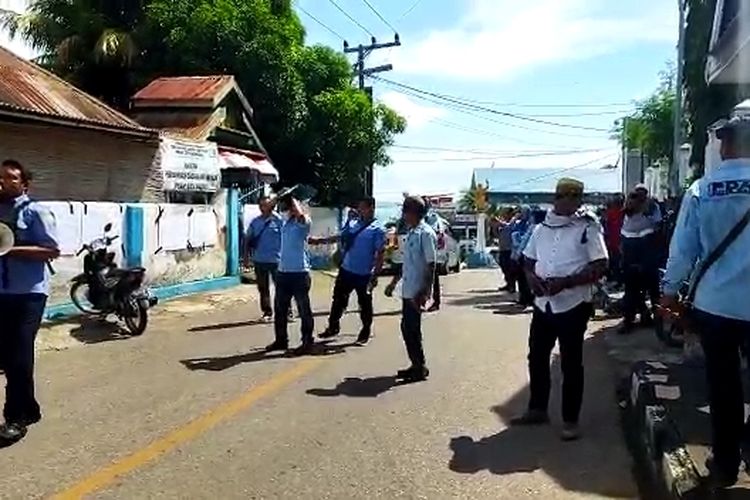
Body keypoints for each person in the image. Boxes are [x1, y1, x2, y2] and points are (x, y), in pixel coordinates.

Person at [661, 116, 750, 488]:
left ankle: (727, 465)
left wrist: (669, 292)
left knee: (724, 387)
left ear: (725, 145)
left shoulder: (704, 189)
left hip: (717, 306)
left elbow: (684, 250)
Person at [511, 178, 608, 441]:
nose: (571, 202)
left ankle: (570, 420)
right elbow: (528, 260)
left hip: (574, 305)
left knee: (571, 363)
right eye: (565, 196)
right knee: (537, 356)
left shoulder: (587, 228)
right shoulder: (541, 228)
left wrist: (566, 282)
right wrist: (532, 279)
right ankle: (537, 408)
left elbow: (600, 264)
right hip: (544, 304)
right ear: (557, 198)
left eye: (575, 197)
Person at [0, 159, 60, 443]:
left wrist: (9, 250)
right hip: (1, 293)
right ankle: (30, 408)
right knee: (7, 357)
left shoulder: (36, 211)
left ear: (24, 184)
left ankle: (17, 417)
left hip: (30, 293)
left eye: (11, 178)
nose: (3, 182)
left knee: (19, 355)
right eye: (0, 177)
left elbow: (51, 250)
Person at [319, 196, 386, 345]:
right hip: (346, 270)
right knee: (338, 300)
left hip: (364, 274)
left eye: (362, 207)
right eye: (359, 207)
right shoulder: (354, 224)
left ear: (371, 208)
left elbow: (380, 253)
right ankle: (333, 326)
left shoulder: (378, 229)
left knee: (365, 304)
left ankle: (365, 331)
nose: (359, 210)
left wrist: (375, 275)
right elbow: (341, 237)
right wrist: (320, 241)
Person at [385, 196, 436, 382]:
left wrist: (425, 292)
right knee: (408, 329)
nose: (403, 215)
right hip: (408, 289)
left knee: (412, 329)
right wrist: (393, 283)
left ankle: (419, 367)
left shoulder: (426, 234)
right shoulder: (412, 233)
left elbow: (431, 265)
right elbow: (407, 264)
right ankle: (416, 365)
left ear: (414, 213)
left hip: (417, 291)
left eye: (406, 211)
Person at [265, 196, 315, 355]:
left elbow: (299, 214)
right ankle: (281, 340)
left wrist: (292, 197)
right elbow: (267, 208)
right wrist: (280, 197)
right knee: (280, 310)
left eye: (292, 206)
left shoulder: (304, 222)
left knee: (303, 309)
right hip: (283, 272)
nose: (290, 208)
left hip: (300, 273)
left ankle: (307, 341)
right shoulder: (285, 222)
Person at [620, 185, 662, 333]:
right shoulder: (628, 212)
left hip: (646, 252)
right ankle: (631, 320)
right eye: (635, 195)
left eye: (640, 195)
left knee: (652, 291)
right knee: (632, 291)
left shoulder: (651, 207)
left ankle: (657, 321)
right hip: (631, 252)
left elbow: (657, 228)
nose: (637, 198)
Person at [244, 196, 283, 321]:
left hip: (277, 260)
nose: (263, 208)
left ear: (271, 206)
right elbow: (247, 240)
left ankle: (286, 311)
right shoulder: (255, 222)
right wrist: (246, 258)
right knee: (263, 288)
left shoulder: (279, 220)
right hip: (259, 260)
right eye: (261, 205)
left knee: (281, 288)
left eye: (265, 205)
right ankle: (267, 313)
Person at [603, 194, 625, 287]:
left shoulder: (622, 213)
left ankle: (617, 280)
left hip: (617, 241)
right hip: (614, 241)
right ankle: (615, 279)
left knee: (617, 262)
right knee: (615, 261)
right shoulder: (612, 213)